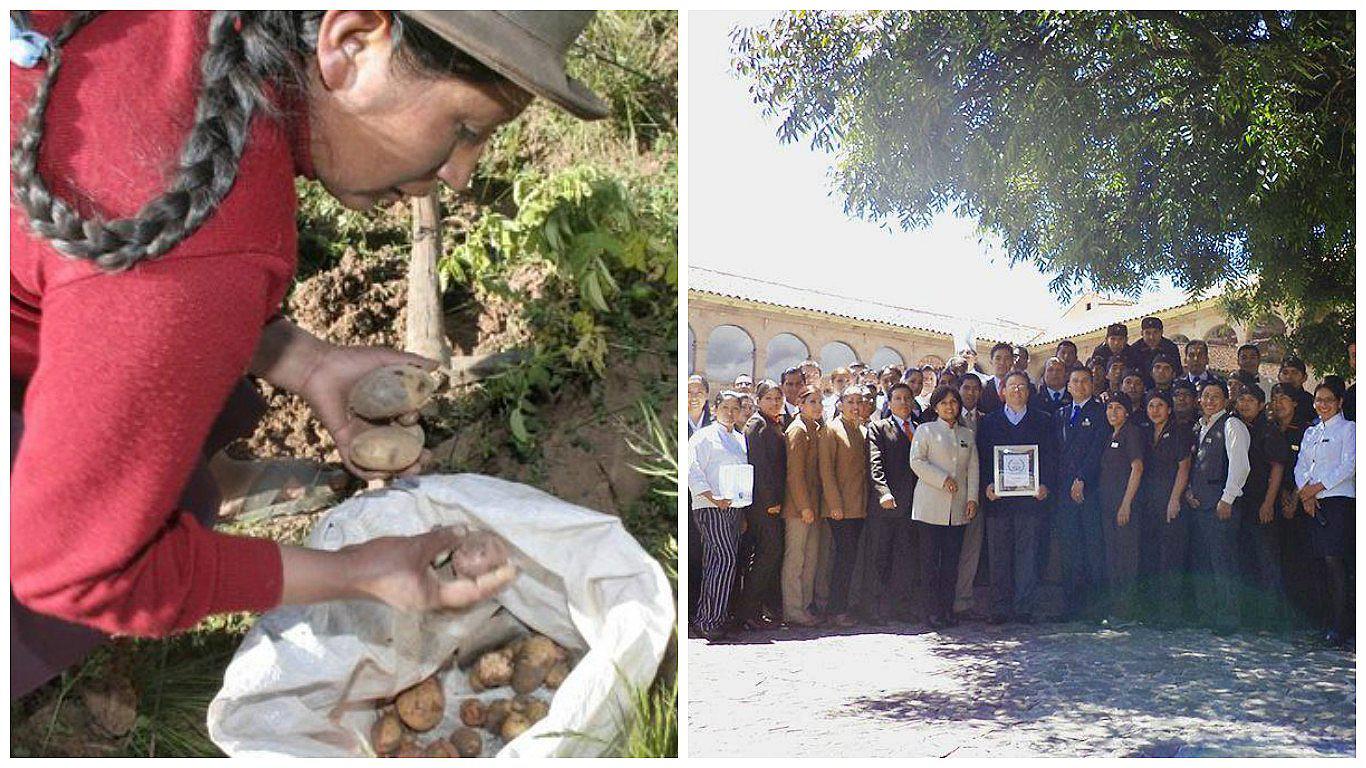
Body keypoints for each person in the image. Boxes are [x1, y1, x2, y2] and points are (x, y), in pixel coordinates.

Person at [8, 9, 615, 697]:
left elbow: (134, 298)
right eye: (465, 129)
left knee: (191, 379)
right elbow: (70, 570)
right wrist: (357, 572)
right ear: (351, 41)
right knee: (64, 581)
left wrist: (306, 362)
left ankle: (190, 491)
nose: (461, 175)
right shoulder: (211, 242)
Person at [977, 371, 1056, 623]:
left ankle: (1024, 607)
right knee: (999, 555)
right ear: (1003, 392)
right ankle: (1000, 607)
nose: (1017, 391)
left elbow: (1052, 458)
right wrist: (986, 486)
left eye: (1022, 386)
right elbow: (982, 459)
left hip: (1030, 501)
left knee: (1028, 555)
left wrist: (1045, 485)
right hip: (998, 501)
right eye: (1012, 386)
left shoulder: (1043, 420)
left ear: (1029, 391)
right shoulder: (989, 422)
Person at [1183, 381, 1252, 633]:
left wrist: (1228, 498)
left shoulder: (1232, 425)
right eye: (1206, 396)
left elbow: (1240, 465)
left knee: (1224, 564)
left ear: (1225, 400)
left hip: (1221, 506)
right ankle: (1207, 614)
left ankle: (1228, 618)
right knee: (1203, 563)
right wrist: (1189, 491)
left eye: (1216, 396)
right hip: (1200, 505)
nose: (1210, 400)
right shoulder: (1199, 427)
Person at [909, 385, 979, 628]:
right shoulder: (925, 431)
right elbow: (916, 462)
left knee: (951, 564)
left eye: (953, 402)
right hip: (929, 506)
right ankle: (929, 613)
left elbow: (973, 468)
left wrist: (972, 499)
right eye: (944, 403)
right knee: (930, 563)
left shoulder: (967, 434)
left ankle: (947, 610)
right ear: (935, 406)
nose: (950, 407)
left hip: (957, 508)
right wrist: (942, 479)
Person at [1293, 379, 1356, 646]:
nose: (1323, 405)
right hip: (1312, 503)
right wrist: (1305, 492)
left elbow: (1349, 465)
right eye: (1318, 400)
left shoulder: (1349, 429)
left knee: (1335, 563)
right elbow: (1301, 465)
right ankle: (1325, 621)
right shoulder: (1311, 432)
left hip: (1337, 502)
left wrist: (1317, 487)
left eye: (1328, 400)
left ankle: (1342, 626)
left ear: (1340, 402)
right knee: (1318, 564)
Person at [688, 391, 751, 641]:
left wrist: (742, 509)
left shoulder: (738, 439)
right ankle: (707, 620)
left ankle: (716, 616)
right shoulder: (703, 437)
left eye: (735, 408)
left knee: (723, 561)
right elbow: (692, 470)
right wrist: (713, 497)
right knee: (722, 559)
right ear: (715, 409)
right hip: (710, 506)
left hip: (734, 508)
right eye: (725, 407)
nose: (730, 412)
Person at [1052, 367, 1110, 620]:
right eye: (1075, 381)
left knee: (1092, 548)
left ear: (1092, 384)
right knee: (1069, 547)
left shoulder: (1100, 413)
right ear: (1068, 385)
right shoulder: (1061, 414)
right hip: (1063, 492)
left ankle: (1094, 608)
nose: (1080, 385)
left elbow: (1098, 449)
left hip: (1090, 490)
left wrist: (1082, 478)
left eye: (1085, 381)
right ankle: (1070, 606)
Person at [1233, 384, 1291, 630]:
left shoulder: (1268, 431)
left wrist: (1268, 503)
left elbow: (1277, 467)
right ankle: (1255, 618)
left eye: (1250, 400)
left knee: (1268, 562)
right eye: (1241, 399)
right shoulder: (1239, 427)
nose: (1244, 404)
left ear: (1260, 405)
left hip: (1263, 505)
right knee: (1249, 561)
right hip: (1244, 505)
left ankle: (1275, 620)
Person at [862, 383, 919, 624]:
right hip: (887, 505)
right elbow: (875, 465)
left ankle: (901, 607)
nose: (903, 402)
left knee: (905, 557)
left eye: (907, 398)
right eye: (898, 398)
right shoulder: (878, 428)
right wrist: (883, 492)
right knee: (879, 557)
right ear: (889, 402)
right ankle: (873, 609)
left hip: (914, 504)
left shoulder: (920, 429)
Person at [1136, 391, 1194, 626]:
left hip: (1171, 502)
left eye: (1160, 405)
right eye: (1151, 405)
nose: (1155, 410)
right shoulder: (1146, 432)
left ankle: (1171, 614)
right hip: (1149, 504)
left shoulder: (1179, 431)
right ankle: (1152, 611)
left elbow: (1184, 467)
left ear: (1169, 409)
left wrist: (1175, 499)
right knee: (1151, 556)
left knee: (1171, 559)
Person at [736, 380, 788, 631]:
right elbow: (759, 468)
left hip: (773, 503)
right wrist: (771, 502)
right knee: (767, 555)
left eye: (778, 398)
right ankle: (748, 611)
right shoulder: (757, 425)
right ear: (758, 400)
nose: (775, 402)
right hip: (763, 505)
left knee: (770, 556)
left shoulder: (775, 423)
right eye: (769, 398)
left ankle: (758, 609)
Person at [818, 386, 870, 627]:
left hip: (858, 505)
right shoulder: (832, 429)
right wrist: (834, 503)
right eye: (850, 401)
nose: (855, 406)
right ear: (840, 404)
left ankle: (844, 606)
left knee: (850, 558)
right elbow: (826, 470)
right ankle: (835, 609)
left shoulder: (860, 429)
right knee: (842, 558)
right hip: (840, 507)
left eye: (859, 402)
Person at [1096, 394, 1144, 623]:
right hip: (1108, 505)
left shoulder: (1130, 433)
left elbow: (1137, 468)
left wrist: (1126, 503)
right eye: (1110, 407)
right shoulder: (1110, 434)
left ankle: (1127, 610)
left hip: (1124, 506)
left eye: (1118, 408)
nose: (1113, 412)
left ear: (1127, 412)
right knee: (1113, 557)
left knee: (1125, 559)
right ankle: (1116, 608)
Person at [781, 386, 824, 627]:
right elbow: (794, 474)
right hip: (799, 508)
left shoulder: (815, 429)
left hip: (814, 506)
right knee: (796, 560)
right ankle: (793, 609)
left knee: (810, 559)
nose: (817, 406)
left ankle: (805, 607)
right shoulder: (797, 430)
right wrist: (804, 506)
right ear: (800, 404)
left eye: (819, 402)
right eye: (812, 402)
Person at [953, 372, 988, 617]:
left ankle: (964, 599)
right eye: (966, 388)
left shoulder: (987, 421)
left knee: (971, 548)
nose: (971, 393)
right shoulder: (944, 419)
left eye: (976, 389)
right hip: (951, 493)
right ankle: (947, 596)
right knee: (951, 547)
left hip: (978, 494)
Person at [1129, 316, 1185, 383]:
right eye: (1147, 333)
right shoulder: (1135, 349)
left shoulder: (1170, 347)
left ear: (1161, 332)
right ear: (1142, 333)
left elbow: (1178, 372)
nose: (1151, 337)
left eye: (1155, 332)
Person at [1278, 356, 1318, 428]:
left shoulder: (1311, 402)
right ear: (1279, 377)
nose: (1289, 377)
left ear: (1304, 377)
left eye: (1294, 373)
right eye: (1285, 372)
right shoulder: (1271, 399)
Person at [978, 342, 1016, 413]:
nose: (1002, 362)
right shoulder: (982, 388)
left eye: (1007, 358)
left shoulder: (1022, 387)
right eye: (998, 358)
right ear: (991, 361)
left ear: (1012, 362)